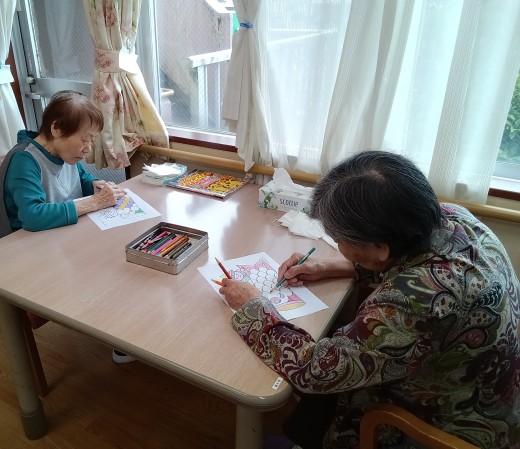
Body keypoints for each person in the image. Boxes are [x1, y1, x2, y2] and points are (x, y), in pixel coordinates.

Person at [220, 151, 520, 449]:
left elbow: (316, 370)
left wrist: (253, 307)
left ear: (380, 247)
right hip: (486, 386)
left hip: (450, 424)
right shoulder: (451, 218)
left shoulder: (419, 300)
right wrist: (327, 266)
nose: (337, 244)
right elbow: (404, 261)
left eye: (339, 240)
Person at [0, 90, 134, 364]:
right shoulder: (25, 160)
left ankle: (120, 328)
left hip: (59, 238)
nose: (87, 148)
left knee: (116, 256)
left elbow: (82, 180)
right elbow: (32, 216)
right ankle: (116, 332)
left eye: (91, 140)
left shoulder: (65, 155)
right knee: (105, 270)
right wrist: (94, 202)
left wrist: (97, 186)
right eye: (84, 139)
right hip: (24, 251)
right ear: (56, 128)